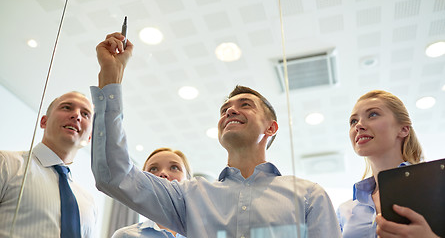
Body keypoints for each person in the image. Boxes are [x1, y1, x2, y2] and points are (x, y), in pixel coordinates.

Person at [91, 32, 341, 237]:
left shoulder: (308, 196)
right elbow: (113, 175)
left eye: (245, 105)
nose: (231, 110)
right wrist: (111, 77)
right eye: (225, 109)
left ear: (271, 128)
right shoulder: (189, 196)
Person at [337, 90, 439, 238]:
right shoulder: (345, 211)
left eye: (372, 114)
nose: (358, 125)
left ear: (403, 129)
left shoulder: (436, 186)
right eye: (353, 121)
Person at [0, 91, 97, 237]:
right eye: (66, 107)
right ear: (44, 121)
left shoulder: (89, 203)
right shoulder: (6, 163)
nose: (76, 115)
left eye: (85, 114)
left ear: (89, 137)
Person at [112, 148, 191, 238]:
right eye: (153, 169)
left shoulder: (205, 233)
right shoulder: (125, 236)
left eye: (174, 167)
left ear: (188, 181)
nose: (163, 173)